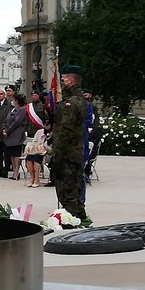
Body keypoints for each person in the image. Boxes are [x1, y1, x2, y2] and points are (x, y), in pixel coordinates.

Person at [51, 65, 89, 220]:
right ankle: (79, 217)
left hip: (66, 153)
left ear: (71, 80)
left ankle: (73, 220)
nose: (61, 82)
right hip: (74, 152)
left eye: (63, 79)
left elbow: (64, 131)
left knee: (67, 192)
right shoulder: (79, 100)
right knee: (75, 188)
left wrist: (57, 157)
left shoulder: (70, 103)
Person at [1, 93, 27, 180]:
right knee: (11, 154)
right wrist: (4, 129)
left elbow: (17, 122)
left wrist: (7, 130)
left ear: (17, 101)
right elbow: (5, 120)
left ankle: (16, 172)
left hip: (16, 135)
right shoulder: (12, 110)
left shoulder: (21, 110)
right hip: (9, 135)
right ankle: (13, 172)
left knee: (16, 154)